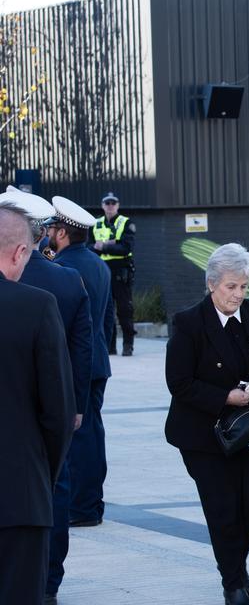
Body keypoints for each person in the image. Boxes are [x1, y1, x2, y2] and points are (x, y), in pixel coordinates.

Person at [166, 244, 249, 605]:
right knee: (223, 510)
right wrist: (226, 396)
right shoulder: (189, 323)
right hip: (204, 435)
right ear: (212, 284)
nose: (238, 295)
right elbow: (179, 383)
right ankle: (233, 585)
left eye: (244, 287)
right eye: (231, 287)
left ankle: (236, 562)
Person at [2, 190, 90, 603]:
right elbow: (58, 412)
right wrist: (43, 476)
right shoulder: (37, 306)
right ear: (21, 251)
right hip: (20, 495)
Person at [47, 196, 112, 529]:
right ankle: (92, 502)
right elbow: (107, 318)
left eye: (51, 229)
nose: (47, 234)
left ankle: (82, 507)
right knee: (93, 434)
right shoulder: (98, 264)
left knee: (79, 436)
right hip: (97, 361)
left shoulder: (62, 269)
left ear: (62, 233)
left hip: (76, 363)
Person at [92, 191, 136, 356]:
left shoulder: (126, 222)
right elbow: (89, 246)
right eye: (107, 203)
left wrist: (103, 246)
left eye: (113, 203)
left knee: (125, 309)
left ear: (117, 205)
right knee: (106, 310)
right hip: (102, 272)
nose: (110, 206)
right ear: (102, 205)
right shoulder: (95, 223)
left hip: (121, 271)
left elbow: (126, 247)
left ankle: (128, 345)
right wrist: (112, 244)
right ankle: (110, 346)